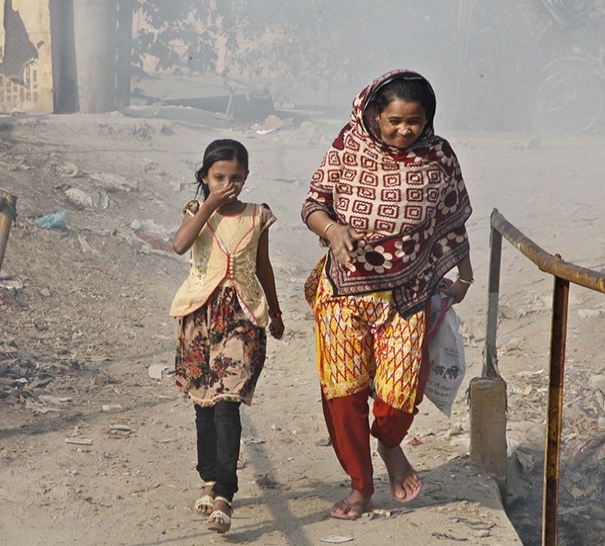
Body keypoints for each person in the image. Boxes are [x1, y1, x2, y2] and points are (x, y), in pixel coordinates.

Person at [301, 69, 473, 520]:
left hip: (408, 294)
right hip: (343, 291)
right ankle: (361, 486)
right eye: (394, 120)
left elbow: (453, 222)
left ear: (428, 119)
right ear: (375, 114)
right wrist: (334, 230)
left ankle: (391, 443)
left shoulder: (438, 156)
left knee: (399, 397)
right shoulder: (349, 145)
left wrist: (465, 276)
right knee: (343, 396)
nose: (403, 130)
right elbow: (313, 203)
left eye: (414, 121)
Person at [169, 139, 284, 534]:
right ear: (205, 177)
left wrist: (277, 311)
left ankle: (224, 494)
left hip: (242, 315)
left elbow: (263, 266)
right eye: (219, 177)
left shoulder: (258, 216)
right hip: (199, 315)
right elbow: (181, 244)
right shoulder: (196, 213)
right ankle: (207, 478)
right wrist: (208, 204)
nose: (228, 184)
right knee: (202, 403)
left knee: (226, 402)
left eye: (236, 177)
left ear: (247, 177)